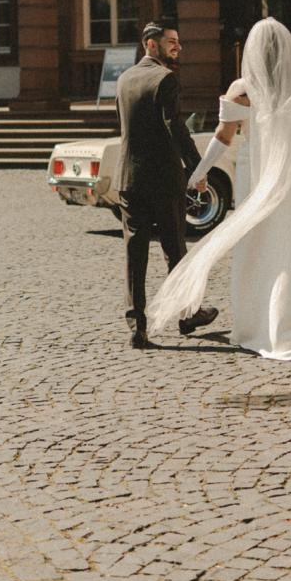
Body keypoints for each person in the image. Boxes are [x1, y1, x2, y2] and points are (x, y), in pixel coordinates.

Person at [149, 19, 291, 361]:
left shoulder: (240, 88)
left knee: (255, 251)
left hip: (255, 175)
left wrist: (199, 172)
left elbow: (223, 137)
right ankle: (289, 328)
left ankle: (252, 327)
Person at [114, 21, 218, 349]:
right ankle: (188, 315)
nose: (178, 47)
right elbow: (175, 127)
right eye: (171, 42)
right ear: (151, 45)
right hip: (162, 180)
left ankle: (137, 326)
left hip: (129, 179)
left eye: (178, 41)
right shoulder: (166, 78)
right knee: (175, 250)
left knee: (136, 252)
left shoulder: (124, 78)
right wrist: (198, 167)